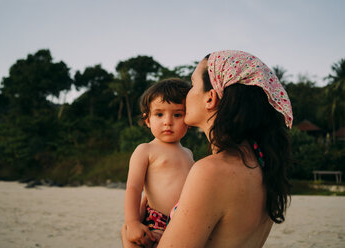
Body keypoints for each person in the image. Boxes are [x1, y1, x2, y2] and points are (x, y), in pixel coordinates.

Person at [122, 50, 293, 248]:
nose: (187, 95)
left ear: (210, 98)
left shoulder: (211, 171)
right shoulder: (264, 166)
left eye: (193, 85)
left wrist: (128, 240)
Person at [123, 78, 194, 247]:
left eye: (177, 115)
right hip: (158, 222)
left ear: (188, 120)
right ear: (148, 120)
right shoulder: (145, 150)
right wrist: (132, 222)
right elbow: (133, 188)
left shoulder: (188, 153)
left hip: (186, 221)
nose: (168, 121)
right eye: (159, 114)